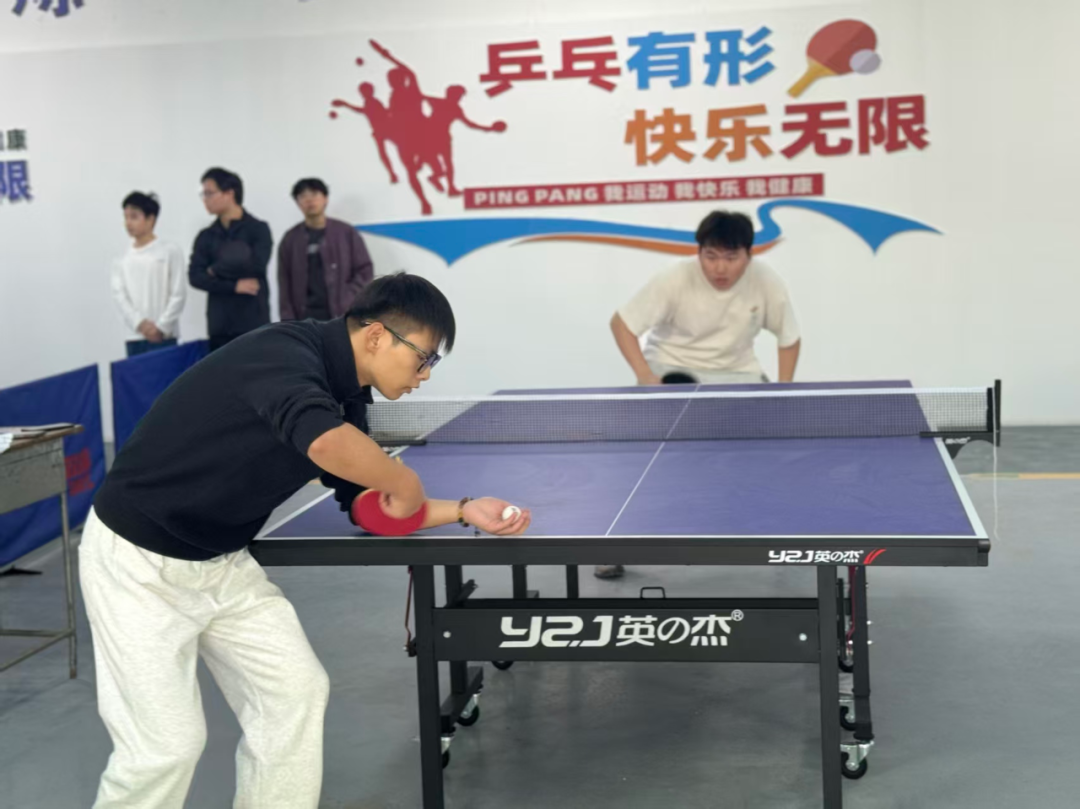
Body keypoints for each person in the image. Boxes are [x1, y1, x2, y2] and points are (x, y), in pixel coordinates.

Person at [81, 272, 531, 809]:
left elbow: (370, 505)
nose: (425, 375)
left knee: (294, 694)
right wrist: (403, 478)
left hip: (221, 563)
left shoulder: (349, 399)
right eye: (424, 358)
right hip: (138, 563)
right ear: (377, 336)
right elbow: (324, 443)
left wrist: (461, 509)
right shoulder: (283, 354)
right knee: (164, 748)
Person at [599, 210, 801, 579]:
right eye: (711, 256)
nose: (720, 268)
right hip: (673, 369)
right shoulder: (675, 278)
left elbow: (789, 338)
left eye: (731, 257)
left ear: (749, 255)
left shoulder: (766, 281)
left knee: (770, 452)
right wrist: (645, 376)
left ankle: (781, 539)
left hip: (737, 375)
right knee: (641, 461)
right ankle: (613, 544)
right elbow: (622, 324)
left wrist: (783, 391)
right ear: (699, 253)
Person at [189, 167, 272, 351]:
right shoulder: (206, 235)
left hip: (253, 321)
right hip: (220, 326)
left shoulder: (258, 229)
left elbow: (256, 266)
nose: (205, 199)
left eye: (209, 193)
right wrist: (234, 286)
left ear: (229, 193)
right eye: (203, 194)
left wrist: (214, 270)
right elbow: (195, 276)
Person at [278, 178, 374, 322]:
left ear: (325, 198)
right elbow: (284, 281)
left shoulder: (346, 232)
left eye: (314, 194)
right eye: (303, 196)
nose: (309, 200)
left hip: (342, 315)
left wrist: (348, 297)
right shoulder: (291, 238)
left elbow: (365, 270)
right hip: (304, 318)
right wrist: (288, 319)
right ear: (298, 203)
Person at [110, 192, 186, 357]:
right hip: (135, 336)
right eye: (126, 217)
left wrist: (162, 326)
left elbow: (178, 293)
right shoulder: (121, 258)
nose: (128, 223)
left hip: (165, 335)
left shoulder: (170, 251)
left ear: (151, 219)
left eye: (134, 217)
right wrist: (140, 324)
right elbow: (120, 296)